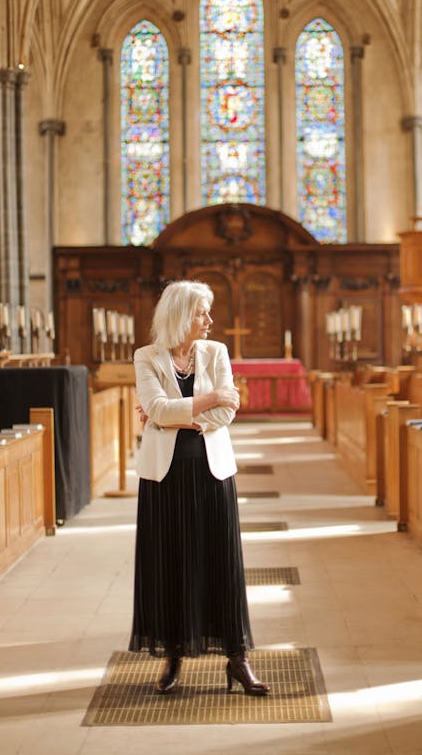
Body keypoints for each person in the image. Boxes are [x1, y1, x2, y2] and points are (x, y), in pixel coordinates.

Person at [128, 279, 270, 696]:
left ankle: (237, 658)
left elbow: (227, 413)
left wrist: (174, 417)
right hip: (165, 477)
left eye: (208, 312)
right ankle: (173, 654)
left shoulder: (217, 352)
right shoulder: (147, 357)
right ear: (179, 316)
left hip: (212, 473)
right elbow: (158, 407)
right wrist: (207, 401)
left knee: (221, 562)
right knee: (170, 562)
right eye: (201, 313)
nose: (210, 320)